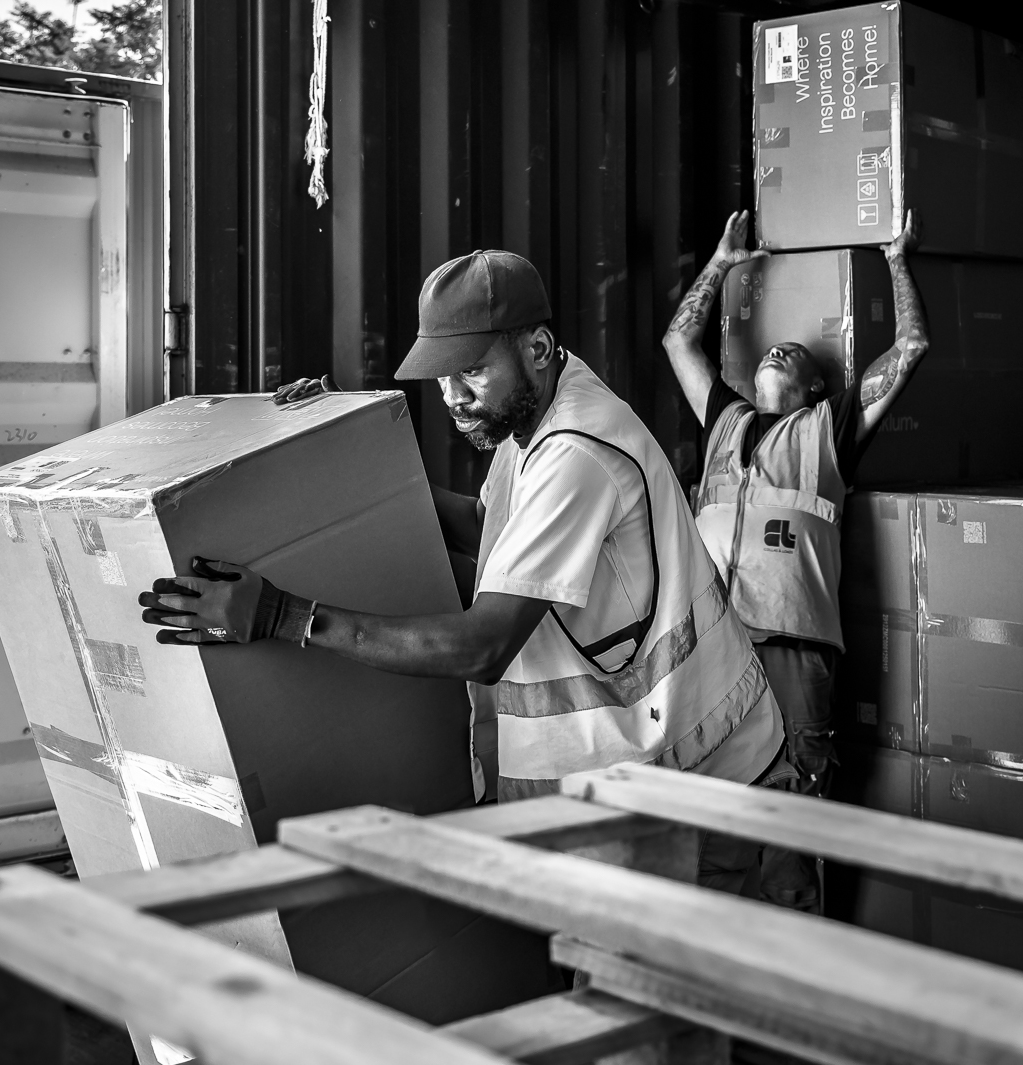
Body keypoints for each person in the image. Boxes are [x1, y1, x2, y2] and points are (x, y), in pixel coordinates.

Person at [139, 249, 784, 806]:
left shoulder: (576, 454)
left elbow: (483, 646)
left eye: (472, 371)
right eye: (443, 375)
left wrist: (285, 616)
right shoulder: (537, 411)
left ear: (534, 348)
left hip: (707, 776)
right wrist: (343, 449)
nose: (452, 396)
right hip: (646, 782)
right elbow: (491, 532)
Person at [663, 207, 929, 913]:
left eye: (797, 355)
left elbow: (910, 348)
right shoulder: (724, 420)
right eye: (770, 352)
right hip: (709, 649)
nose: (779, 352)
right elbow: (677, 340)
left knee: (790, 809)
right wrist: (722, 263)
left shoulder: (828, 428)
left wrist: (896, 261)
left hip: (792, 650)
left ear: (816, 389)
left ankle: (793, 975)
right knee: (713, 811)